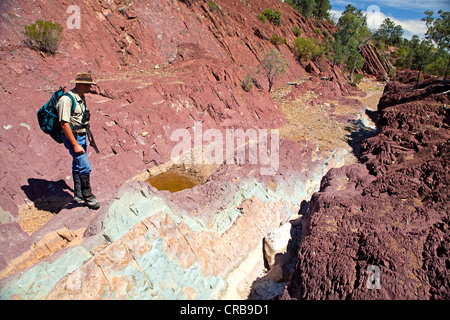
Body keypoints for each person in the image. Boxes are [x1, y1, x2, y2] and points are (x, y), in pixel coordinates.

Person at [57, 72, 100, 210]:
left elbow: (83, 119)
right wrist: (75, 144)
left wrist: (89, 138)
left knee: (77, 164)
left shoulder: (81, 98)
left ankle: (78, 194)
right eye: (88, 85)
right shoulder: (67, 100)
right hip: (73, 137)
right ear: (81, 84)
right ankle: (88, 197)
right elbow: (64, 123)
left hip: (81, 135)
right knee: (85, 166)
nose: (90, 88)